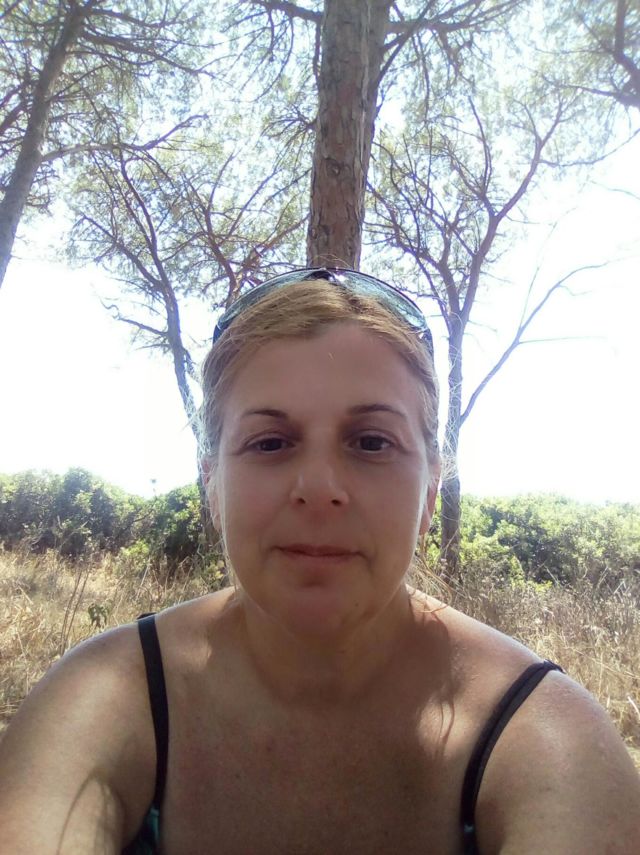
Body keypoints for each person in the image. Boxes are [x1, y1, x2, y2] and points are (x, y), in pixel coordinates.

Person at [0, 267, 638, 855]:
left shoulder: (545, 736)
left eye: (371, 442)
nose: (319, 486)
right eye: (270, 442)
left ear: (429, 492)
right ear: (212, 485)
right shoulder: (106, 696)